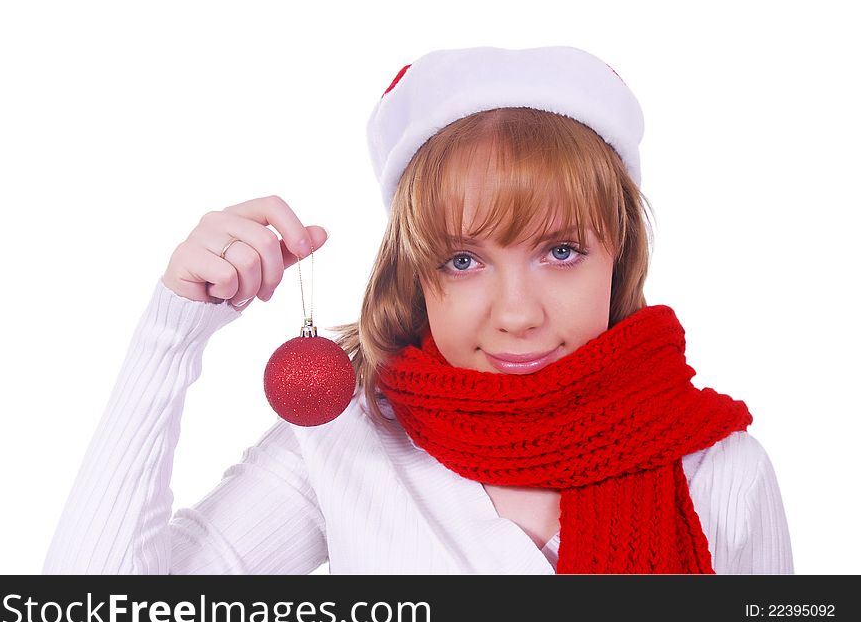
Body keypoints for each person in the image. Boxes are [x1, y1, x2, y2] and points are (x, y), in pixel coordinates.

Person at [42, 45, 793, 575]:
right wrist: (172, 334)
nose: (517, 313)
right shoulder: (343, 444)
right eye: (463, 260)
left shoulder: (720, 470)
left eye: (560, 250)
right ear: (416, 272)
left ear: (619, 256)